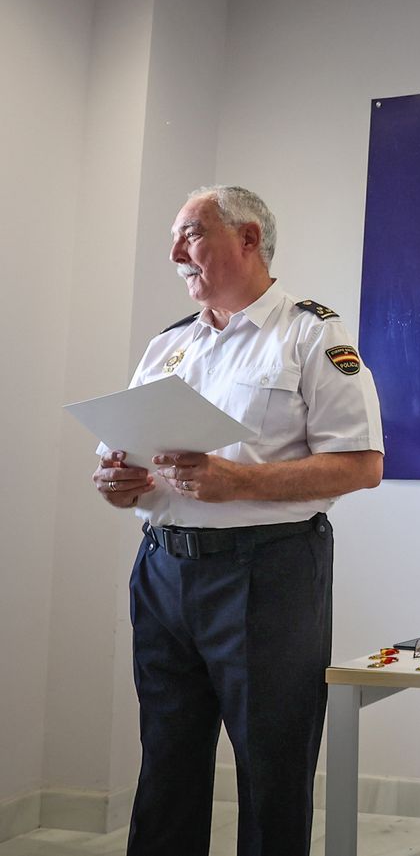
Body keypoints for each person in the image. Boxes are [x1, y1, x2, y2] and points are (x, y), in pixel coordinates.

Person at [91, 185, 384, 856]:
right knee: (165, 762)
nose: (175, 253)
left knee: (271, 770)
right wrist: (115, 482)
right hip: (162, 569)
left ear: (248, 239)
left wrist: (241, 482)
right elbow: (122, 467)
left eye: (191, 234)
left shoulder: (311, 333)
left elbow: (363, 464)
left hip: (268, 572)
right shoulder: (167, 347)